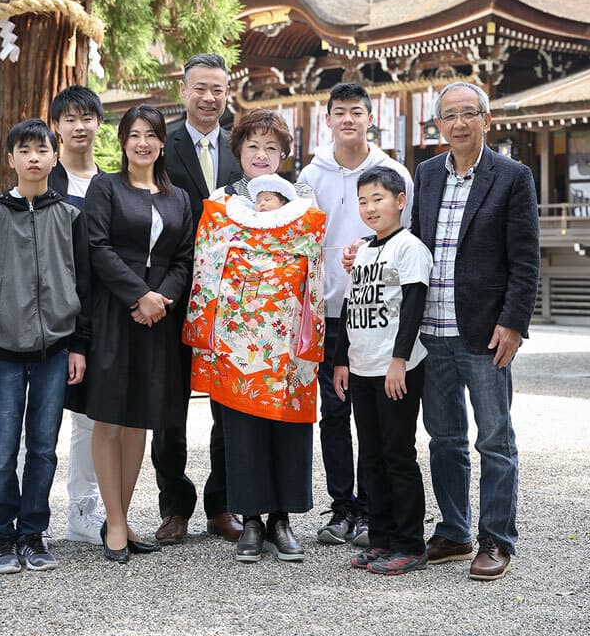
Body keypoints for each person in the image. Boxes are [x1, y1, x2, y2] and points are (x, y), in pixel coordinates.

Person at [411, 81, 539, 581]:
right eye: (449, 116)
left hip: (486, 332)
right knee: (444, 439)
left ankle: (496, 538)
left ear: (486, 120)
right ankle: (454, 530)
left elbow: (525, 261)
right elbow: (415, 245)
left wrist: (514, 323)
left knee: (495, 440)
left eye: (469, 114)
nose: (459, 123)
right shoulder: (425, 174)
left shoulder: (512, 176)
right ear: (438, 124)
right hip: (432, 330)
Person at [184, 119, 325, 564]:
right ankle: (249, 519)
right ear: (238, 152)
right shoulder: (222, 202)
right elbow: (206, 262)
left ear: (283, 153)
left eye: (270, 147)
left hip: (286, 337)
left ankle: (281, 519)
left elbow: (313, 262)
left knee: (286, 426)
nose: (261, 154)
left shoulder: (302, 201)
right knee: (240, 430)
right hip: (236, 337)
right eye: (252, 146)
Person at [0, 119, 90, 574]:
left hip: (56, 349)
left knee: (42, 446)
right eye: (25, 150)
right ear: (11, 159)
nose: (34, 158)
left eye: (42, 150)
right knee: (3, 448)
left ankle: (33, 533)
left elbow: (84, 284)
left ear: (55, 158)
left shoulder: (71, 215)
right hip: (5, 350)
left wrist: (79, 345)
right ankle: (2, 535)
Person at [74, 105, 193, 563]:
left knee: (141, 417)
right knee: (110, 417)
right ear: (122, 142)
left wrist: (160, 299)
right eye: (134, 134)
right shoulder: (106, 187)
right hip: (114, 312)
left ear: (163, 143)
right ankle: (116, 524)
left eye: (151, 135)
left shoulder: (177, 197)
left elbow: (184, 259)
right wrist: (137, 296)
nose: (142, 142)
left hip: (158, 319)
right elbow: (97, 248)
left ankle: (121, 516)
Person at [298, 82, 413, 547]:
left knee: (374, 414)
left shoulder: (392, 172)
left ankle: (373, 506)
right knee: (333, 412)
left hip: (379, 312)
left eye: (357, 112)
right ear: (327, 120)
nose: (348, 119)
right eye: (339, 112)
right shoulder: (312, 175)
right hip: (327, 310)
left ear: (371, 118)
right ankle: (342, 505)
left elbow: (408, 240)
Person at [155, 53, 243, 546]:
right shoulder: (160, 144)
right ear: (183, 90)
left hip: (232, 302)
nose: (210, 98)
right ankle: (174, 506)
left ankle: (222, 503)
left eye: (218, 89)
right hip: (173, 294)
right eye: (200, 88)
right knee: (169, 407)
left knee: (226, 407)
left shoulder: (241, 146)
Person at [333, 166, 432, 576]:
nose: (370, 207)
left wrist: (399, 362)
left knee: (397, 455)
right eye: (363, 201)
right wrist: (341, 360)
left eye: (378, 198)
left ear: (400, 200)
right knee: (371, 456)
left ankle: (410, 543)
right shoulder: (362, 249)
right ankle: (382, 538)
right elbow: (350, 306)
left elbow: (412, 309)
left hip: (396, 369)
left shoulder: (410, 248)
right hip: (362, 367)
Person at [49, 85, 104, 545]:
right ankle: (27, 516)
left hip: (99, 316)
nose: (79, 126)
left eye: (87, 117)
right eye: (70, 118)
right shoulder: (44, 180)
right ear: (57, 127)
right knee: (38, 417)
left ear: (98, 124)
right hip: (48, 316)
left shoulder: (111, 183)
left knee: (89, 418)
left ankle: (83, 511)